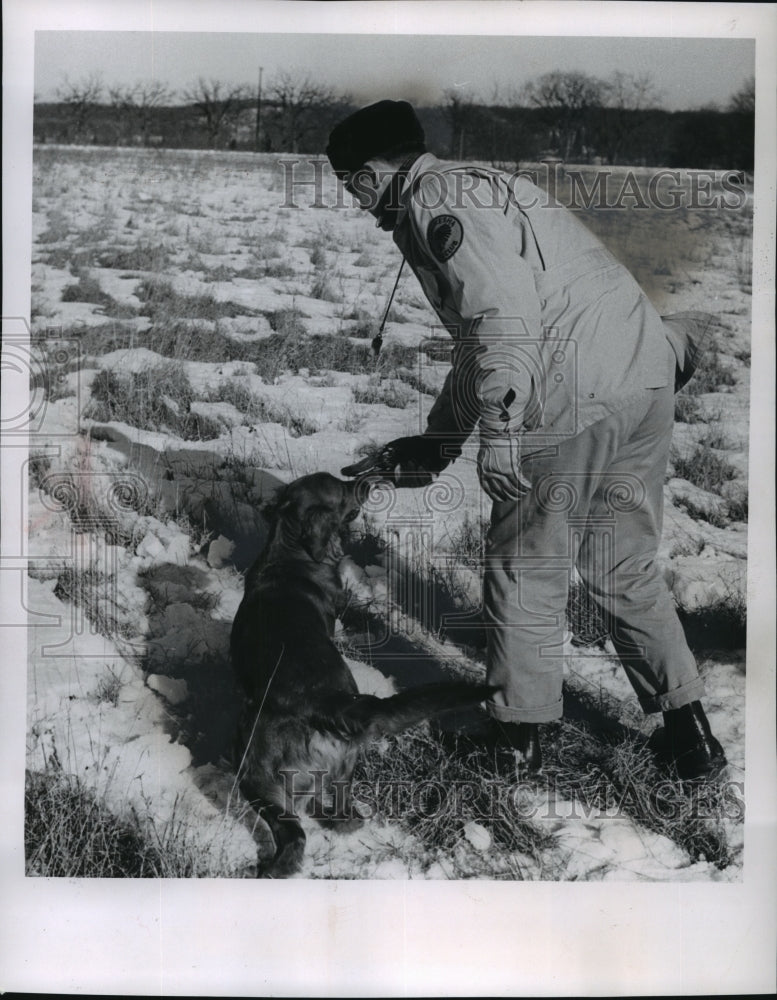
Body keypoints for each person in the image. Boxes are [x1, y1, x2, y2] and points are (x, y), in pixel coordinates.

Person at [327, 99, 726, 782]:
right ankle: (688, 732)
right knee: (622, 565)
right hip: (640, 378)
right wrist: (440, 438)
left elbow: (502, 324)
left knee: (523, 570)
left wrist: (502, 433)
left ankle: (515, 738)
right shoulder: (483, 183)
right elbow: (482, 339)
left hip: (568, 400)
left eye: (347, 184)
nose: (353, 201)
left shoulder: (434, 206)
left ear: (369, 173)